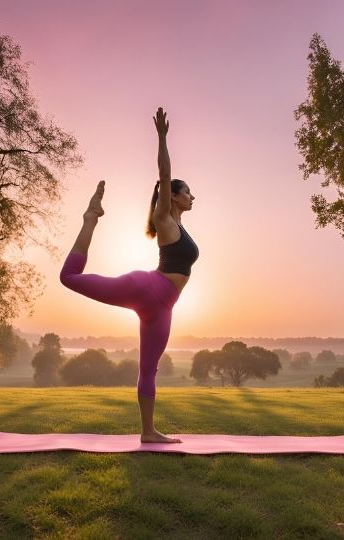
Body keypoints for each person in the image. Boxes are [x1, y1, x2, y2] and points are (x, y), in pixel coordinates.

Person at [60, 107, 199, 443]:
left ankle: (148, 431)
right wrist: (163, 138)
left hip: (161, 308)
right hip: (147, 288)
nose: (193, 196)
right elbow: (164, 176)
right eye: (188, 191)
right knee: (69, 278)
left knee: (148, 368)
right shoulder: (164, 217)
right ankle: (90, 218)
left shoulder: (178, 225)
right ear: (174, 196)